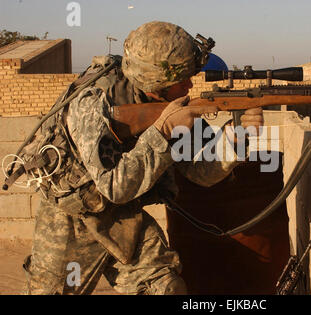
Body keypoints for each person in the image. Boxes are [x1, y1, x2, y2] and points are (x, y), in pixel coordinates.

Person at [22, 21, 263, 295]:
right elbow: (115, 187)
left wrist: (233, 139)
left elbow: (199, 172)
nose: (189, 83)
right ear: (156, 82)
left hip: (123, 218)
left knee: (166, 288)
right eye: (180, 79)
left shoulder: (169, 106)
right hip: (70, 220)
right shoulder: (94, 101)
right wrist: (162, 132)